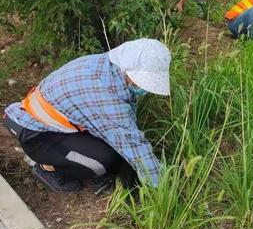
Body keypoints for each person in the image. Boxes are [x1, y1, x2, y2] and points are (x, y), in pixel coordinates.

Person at [3, 39, 171, 193]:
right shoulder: (104, 95)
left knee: (116, 148)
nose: (142, 88)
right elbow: (133, 144)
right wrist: (162, 183)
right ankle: (46, 166)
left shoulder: (106, 65)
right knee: (104, 162)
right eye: (139, 82)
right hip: (37, 135)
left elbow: (124, 128)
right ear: (128, 72)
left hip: (52, 118)